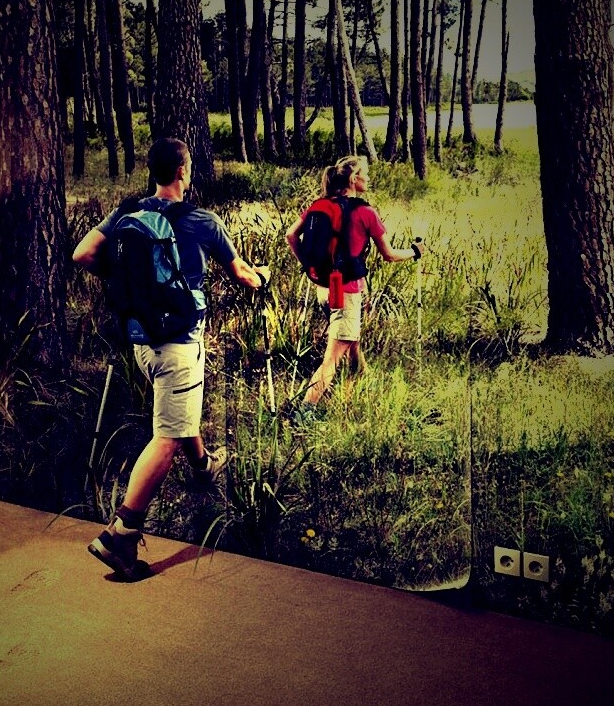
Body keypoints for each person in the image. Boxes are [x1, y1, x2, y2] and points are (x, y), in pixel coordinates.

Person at [72, 137, 270, 580]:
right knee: (167, 437)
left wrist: (122, 278)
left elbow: (82, 253)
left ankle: (203, 466)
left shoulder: (126, 212)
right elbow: (241, 273)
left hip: (141, 341)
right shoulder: (203, 220)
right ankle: (121, 533)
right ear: (183, 171)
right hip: (178, 344)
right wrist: (261, 278)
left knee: (178, 409)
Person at [285, 155, 424, 423]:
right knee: (332, 359)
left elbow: (291, 235)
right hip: (346, 292)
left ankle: (363, 381)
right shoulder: (365, 212)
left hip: (324, 288)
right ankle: (303, 413)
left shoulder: (319, 205)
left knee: (352, 340)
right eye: (365, 174)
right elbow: (389, 254)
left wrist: (308, 266)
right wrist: (415, 252)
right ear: (353, 179)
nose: (368, 178)